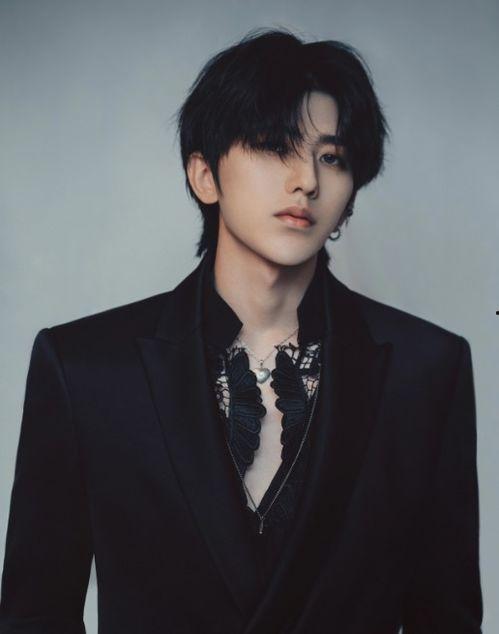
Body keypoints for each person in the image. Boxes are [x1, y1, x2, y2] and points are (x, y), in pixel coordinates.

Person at [0, 26, 483, 634]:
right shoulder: (86, 368)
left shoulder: (425, 370)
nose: (306, 180)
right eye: (274, 145)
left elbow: (445, 616)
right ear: (205, 175)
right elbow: (35, 615)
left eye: (331, 157)